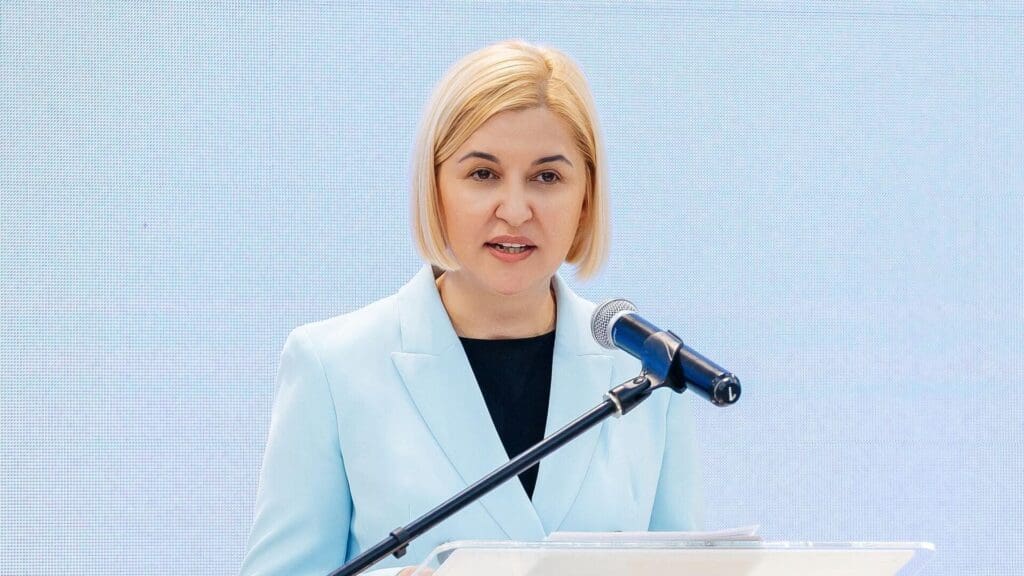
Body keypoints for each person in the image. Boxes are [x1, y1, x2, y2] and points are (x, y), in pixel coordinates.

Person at [240, 40, 701, 576]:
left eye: (547, 177)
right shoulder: (332, 365)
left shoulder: (647, 372)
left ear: (586, 197)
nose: (515, 210)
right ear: (434, 188)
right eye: (483, 174)